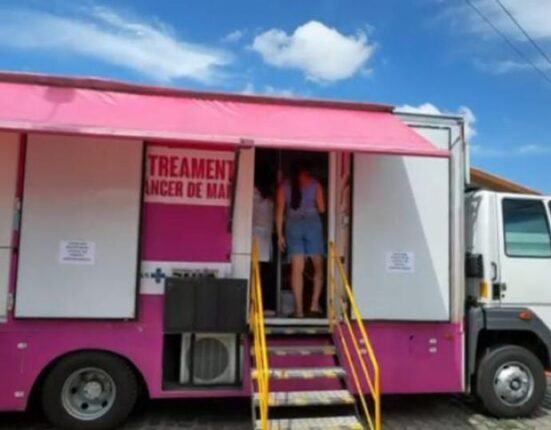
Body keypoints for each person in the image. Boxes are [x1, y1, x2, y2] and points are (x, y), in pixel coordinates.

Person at [276, 161, 326, 318]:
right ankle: (314, 305)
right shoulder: (315, 185)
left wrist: (280, 235)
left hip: (293, 226)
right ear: (307, 171)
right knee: (318, 267)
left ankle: (298, 310)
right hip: (313, 226)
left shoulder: (284, 187)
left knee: (297, 270)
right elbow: (322, 208)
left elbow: (279, 212)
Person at [252, 170, 276, 315]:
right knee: (265, 274)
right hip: (265, 239)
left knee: (255, 273)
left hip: (253, 238)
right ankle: (266, 306)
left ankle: (254, 305)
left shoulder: (250, 194)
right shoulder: (270, 199)